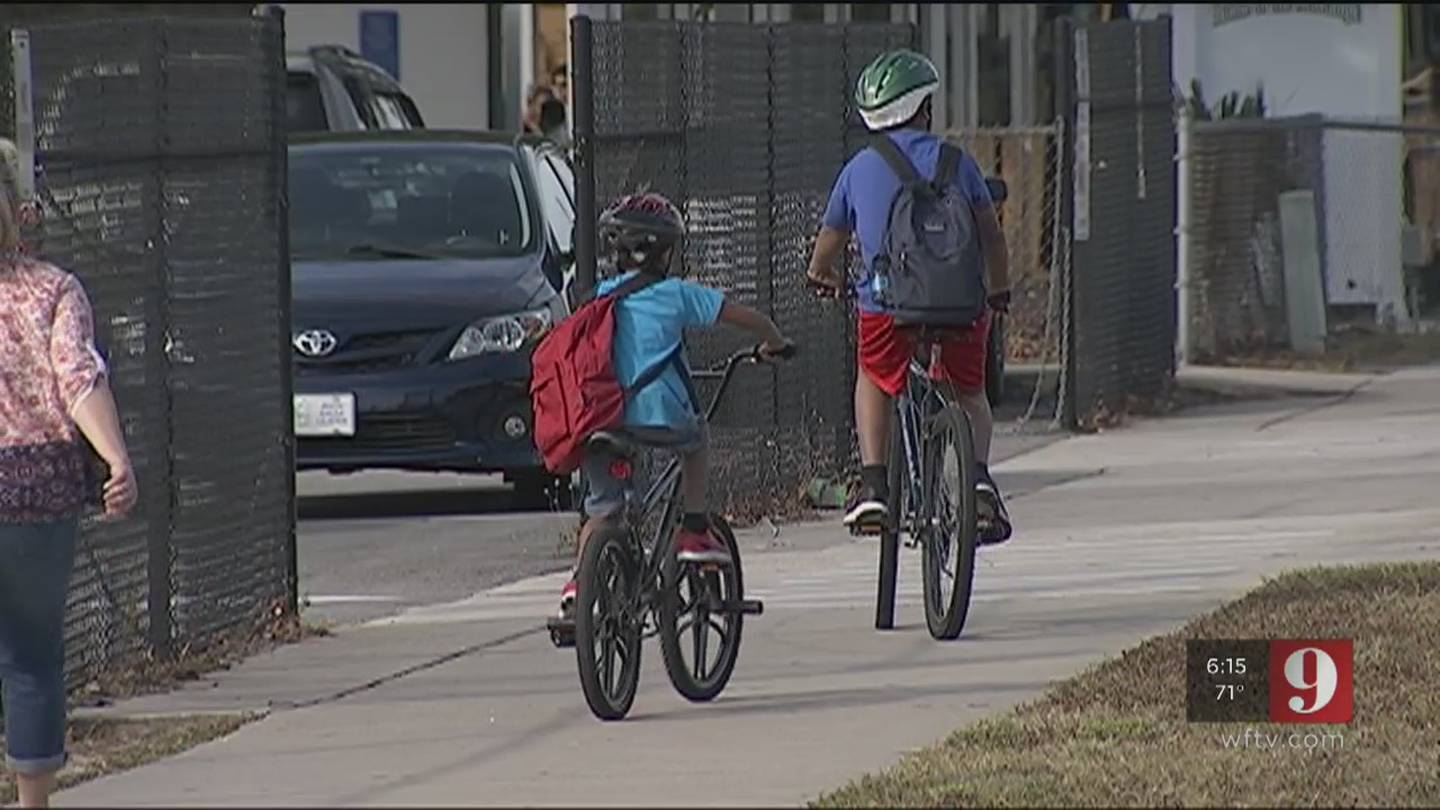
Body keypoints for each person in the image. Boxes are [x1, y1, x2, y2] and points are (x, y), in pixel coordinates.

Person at [805, 48, 1014, 544]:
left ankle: (874, 483)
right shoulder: (958, 163)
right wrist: (999, 291)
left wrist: (820, 274)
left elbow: (829, 243)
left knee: (875, 377)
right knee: (970, 391)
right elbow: (991, 237)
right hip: (961, 305)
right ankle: (979, 477)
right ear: (925, 108)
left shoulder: (859, 169)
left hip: (887, 306)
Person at [559, 191, 792, 616]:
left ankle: (580, 583)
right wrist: (773, 342)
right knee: (696, 439)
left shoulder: (594, 297)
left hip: (599, 419)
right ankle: (695, 527)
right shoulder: (678, 294)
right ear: (665, 252)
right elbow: (751, 320)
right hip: (662, 420)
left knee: (603, 508)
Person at [0, 148, 138, 809]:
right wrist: (117, 459)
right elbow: (77, 378)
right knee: (31, 653)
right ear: (18, 214)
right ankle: (33, 801)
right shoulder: (53, 291)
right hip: (38, 490)